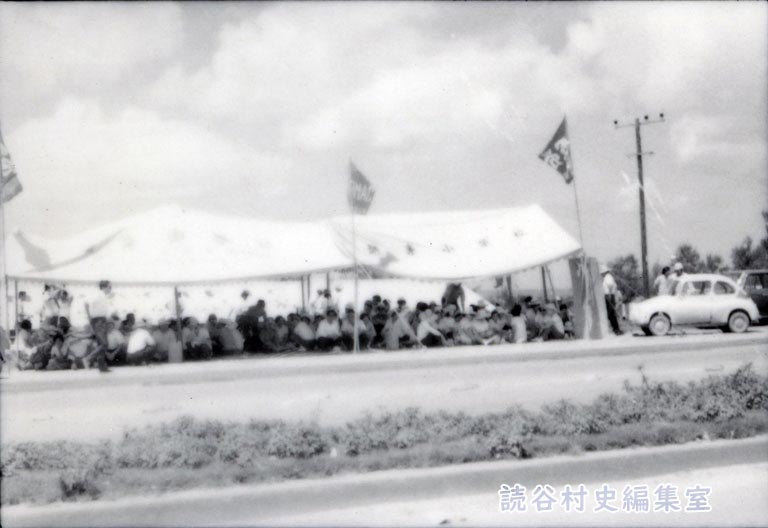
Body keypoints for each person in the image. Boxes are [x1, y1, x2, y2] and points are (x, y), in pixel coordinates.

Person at [84, 280, 115, 372]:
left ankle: (102, 366)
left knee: (100, 344)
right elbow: (86, 303)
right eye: (109, 287)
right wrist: (89, 317)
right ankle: (88, 359)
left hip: (102, 320)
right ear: (103, 287)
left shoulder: (103, 296)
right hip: (98, 321)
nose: (110, 289)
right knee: (104, 344)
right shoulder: (97, 294)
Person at [600, 264, 622, 335]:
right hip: (609, 295)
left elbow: (610, 285)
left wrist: (608, 294)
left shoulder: (608, 277)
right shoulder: (608, 277)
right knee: (610, 314)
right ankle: (615, 329)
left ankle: (616, 329)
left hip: (609, 296)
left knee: (611, 314)